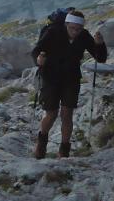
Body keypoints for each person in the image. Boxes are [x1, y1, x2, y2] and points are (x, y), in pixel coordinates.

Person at [31, 9, 107, 159]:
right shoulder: (53, 32)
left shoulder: (84, 36)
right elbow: (36, 50)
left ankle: (64, 151)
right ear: (66, 24)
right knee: (51, 114)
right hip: (50, 77)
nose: (75, 32)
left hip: (71, 79)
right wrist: (38, 59)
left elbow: (100, 58)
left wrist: (100, 44)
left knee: (67, 114)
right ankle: (41, 143)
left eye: (78, 29)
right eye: (72, 28)